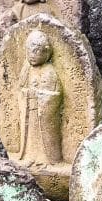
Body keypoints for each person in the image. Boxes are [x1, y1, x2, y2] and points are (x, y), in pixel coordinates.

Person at [17, 30, 63, 165]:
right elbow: (20, 89)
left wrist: (40, 96)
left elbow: (55, 95)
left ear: (46, 52)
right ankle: (30, 156)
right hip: (29, 111)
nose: (32, 56)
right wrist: (26, 94)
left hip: (43, 114)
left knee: (44, 136)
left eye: (36, 52)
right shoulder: (26, 69)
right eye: (29, 51)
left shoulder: (50, 71)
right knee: (30, 135)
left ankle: (44, 159)